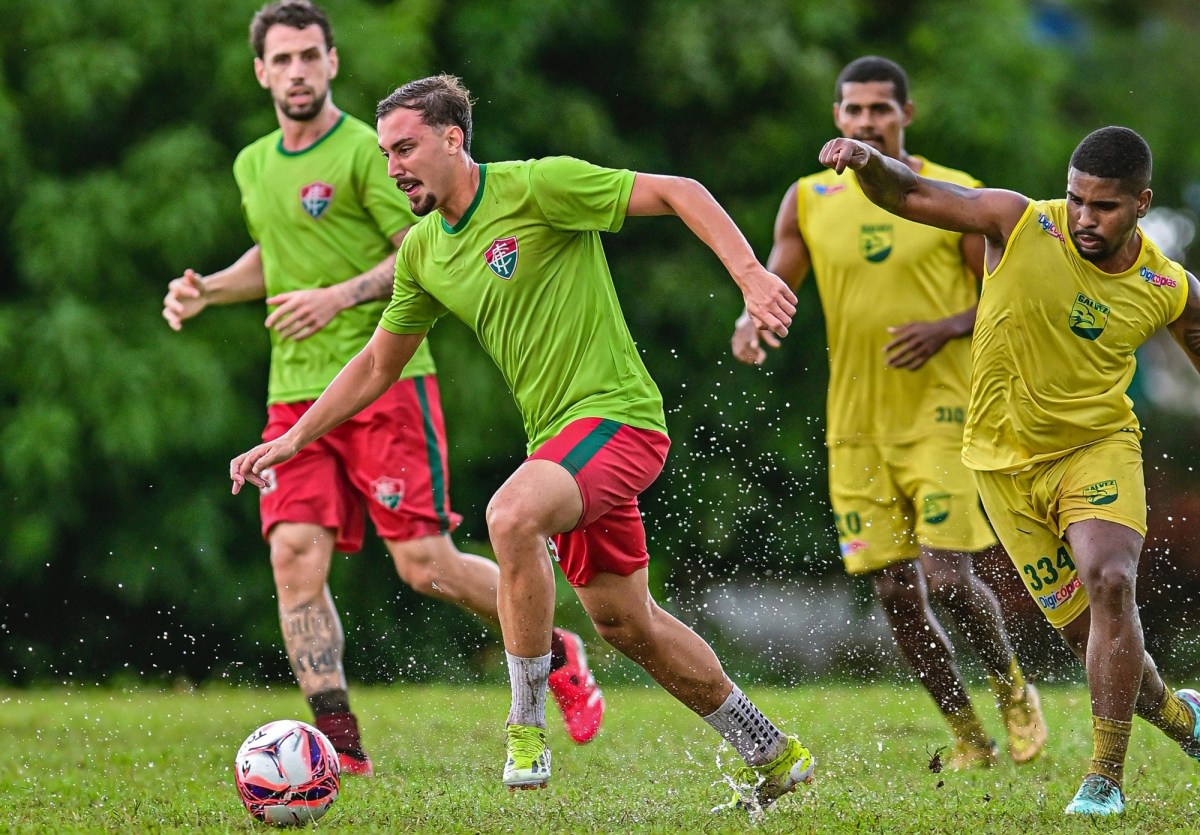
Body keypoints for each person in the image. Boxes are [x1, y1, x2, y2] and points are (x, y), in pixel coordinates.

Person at [229, 72, 813, 814]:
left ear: (453, 138)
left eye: (406, 147)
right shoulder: (423, 254)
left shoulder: (537, 188)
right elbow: (379, 364)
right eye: (384, 153)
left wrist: (751, 275)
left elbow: (679, 190)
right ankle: (771, 747)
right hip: (560, 444)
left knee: (510, 514)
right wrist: (292, 437)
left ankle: (526, 723)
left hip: (620, 418)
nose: (393, 166)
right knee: (625, 623)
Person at [162, 1, 603, 776]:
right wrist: (213, 290)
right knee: (293, 555)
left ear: (332, 61)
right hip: (294, 391)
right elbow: (279, 254)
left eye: (310, 56)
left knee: (424, 565)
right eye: (282, 59)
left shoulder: (374, 150)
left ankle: (555, 646)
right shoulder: (252, 163)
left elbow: (415, 250)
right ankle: (339, 745)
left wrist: (339, 296)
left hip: (384, 386)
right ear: (260, 71)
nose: (296, 71)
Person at [819, 125, 1200, 815]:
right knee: (1098, 642)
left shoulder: (1168, 287)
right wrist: (867, 160)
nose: (1085, 217)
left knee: (1112, 580)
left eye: (1105, 206)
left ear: (1142, 204)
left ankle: (1104, 781)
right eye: (1077, 198)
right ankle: (1182, 719)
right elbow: (910, 192)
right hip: (1001, 467)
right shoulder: (1017, 221)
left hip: (1096, 448)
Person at [731, 56, 1046, 770]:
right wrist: (753, 322)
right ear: (837, 117)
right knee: (897, 590)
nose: (866, 121)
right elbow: (776, 283)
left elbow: (1013, 297)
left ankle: (1011, 686)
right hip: (855, 424)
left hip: (942, 412)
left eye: (880, 109)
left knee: (946, 578)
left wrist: (946, 326)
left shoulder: (951, 195)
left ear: (906, 114)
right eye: (854, 110)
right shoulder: (807, 198)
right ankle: (967, 733)